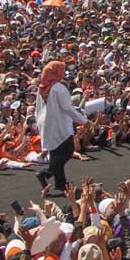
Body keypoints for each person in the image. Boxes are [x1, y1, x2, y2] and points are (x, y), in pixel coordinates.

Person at [35, 60, 87, 192]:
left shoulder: (42, 87)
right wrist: (84, 121)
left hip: (46, 122)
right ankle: (46, 173)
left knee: (55, 153)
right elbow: (67, 108)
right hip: (59, 124)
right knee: (67, 150)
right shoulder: (59, 88)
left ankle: (60, 182)